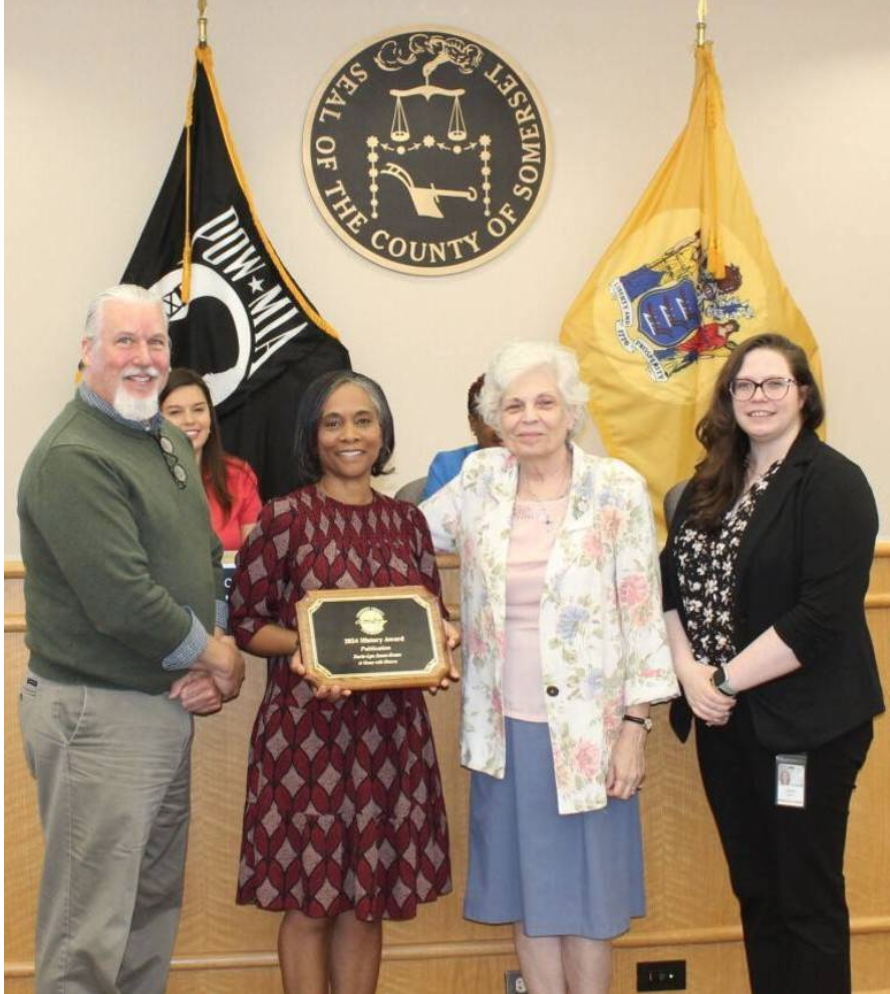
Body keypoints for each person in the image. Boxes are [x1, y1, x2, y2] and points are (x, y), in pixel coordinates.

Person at [421, 341, 678, 994]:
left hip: (593, 732)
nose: (529, 417)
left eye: (544, 402)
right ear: (494, 417)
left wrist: (634, 728)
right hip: (505, 730)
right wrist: (432, 619)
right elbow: (403, 539)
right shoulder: (478, 480)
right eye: (514, 406)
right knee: (527, 892)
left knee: (590, 901)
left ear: (571, 412)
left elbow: (641, 613)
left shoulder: (616, 487)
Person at [17, 284, 246, 994]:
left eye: (156, 342)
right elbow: (123, 599)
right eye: (125, 341)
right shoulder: (75, 456)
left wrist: (208, 650)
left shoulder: (164, 438)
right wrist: (219, 658)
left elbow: (202, 553)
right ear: (88, 352)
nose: (144, 358)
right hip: (98, 716)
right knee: (88, 935)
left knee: (147, 914)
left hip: (161, 705)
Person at [660, 333, 884, 994]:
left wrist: (722, 679)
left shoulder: (833, 482)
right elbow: (667, 587)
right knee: (757, 893)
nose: (758, 397)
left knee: (805, 898)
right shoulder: (709, 482)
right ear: (728, 397)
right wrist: (689, 673)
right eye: (745, 385)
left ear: (803, 394)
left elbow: (820, 615)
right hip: (724, 722)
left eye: (774, 383)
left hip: (807, 727)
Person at [229, 369, 458, 994]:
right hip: (306, 737)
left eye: (363, 420)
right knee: (311, 903)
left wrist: (443, 641)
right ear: (313, 435)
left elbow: (427, 614)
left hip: (391, 736)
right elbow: (246, 623)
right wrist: (310, 650)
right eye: (332, 422)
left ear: (383, 433)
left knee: (367, 900)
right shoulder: (283, 519)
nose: (349, 435)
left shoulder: (408, 522)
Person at [160, 367, 262, 550]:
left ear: (210, 417)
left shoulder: (239, 476)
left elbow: (255, 558)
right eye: (175, 412)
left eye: (198, 409)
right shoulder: (138, 479)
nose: (189, 420)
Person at [420, 373, 501, 499]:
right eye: (492, 418)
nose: (502, 428)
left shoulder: (531, 464)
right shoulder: (448, 466)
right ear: (473, 423)